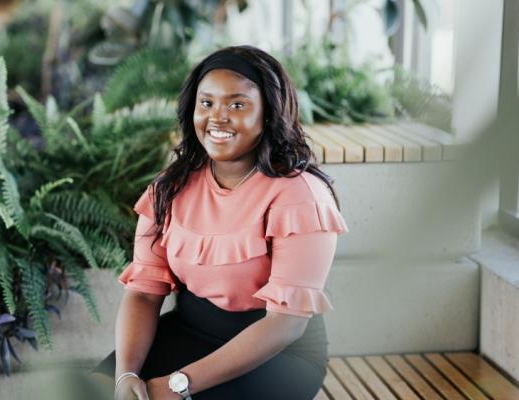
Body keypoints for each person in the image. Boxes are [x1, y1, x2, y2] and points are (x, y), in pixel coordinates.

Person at [90, 45, 349, 400]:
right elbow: (144, 295)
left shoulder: (301, 195)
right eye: (207, 103)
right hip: (188, 331)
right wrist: (126, 376)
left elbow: (285, 325)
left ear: (269, 113)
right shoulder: (170, 187)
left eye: (237, 104)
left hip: (278, 353)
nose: (218, 117)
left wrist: (176, 385)